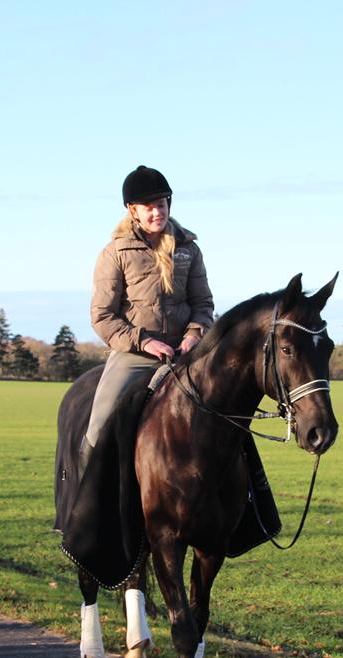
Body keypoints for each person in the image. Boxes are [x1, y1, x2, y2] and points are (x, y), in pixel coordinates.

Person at [81, 165, 215, 469]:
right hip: (135, 354)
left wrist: (194, 334)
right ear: (133, 211)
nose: (158, 212)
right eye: (149, 207)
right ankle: (86, 502)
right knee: (98, 426)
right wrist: (145, 343)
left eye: (162, 204)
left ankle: (255, 505)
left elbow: (203, 303)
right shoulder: (114, 252)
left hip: (187, 354)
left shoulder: (189, 249)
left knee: (230, 416)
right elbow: (102, 316)